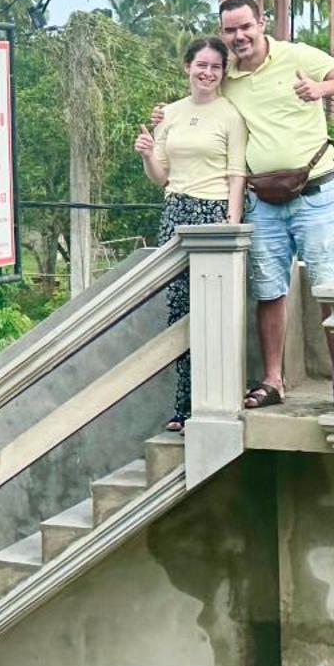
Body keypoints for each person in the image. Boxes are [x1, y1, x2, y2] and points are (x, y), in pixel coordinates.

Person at [154, 0, 334, 409]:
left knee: (331, 289)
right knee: (268, 289)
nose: (239, 37)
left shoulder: (298, 56)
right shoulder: (229, 75)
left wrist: (322, 87)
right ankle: (273, 379)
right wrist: (163, 119)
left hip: (315, 190)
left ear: (262, 23)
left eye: (245, 27)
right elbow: (198, 105)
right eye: (230, 30)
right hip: (263, 199)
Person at [134, 36, 245, 432]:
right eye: (201, 65)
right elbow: (161, 176)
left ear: (222, 72)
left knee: (215, 312)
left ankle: (219, 401)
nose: (207, 73)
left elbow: (236, 174)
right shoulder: (171, 115)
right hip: (176, 212)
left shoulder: (230, 114)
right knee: (180, 311)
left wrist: (230, 224)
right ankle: (184, 405)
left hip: (213, 212)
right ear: (187, 66)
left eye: (215, 67)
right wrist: (148, 152)